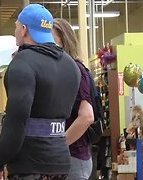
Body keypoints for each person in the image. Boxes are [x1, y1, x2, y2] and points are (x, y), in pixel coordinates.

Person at [0, 4, 81, 180]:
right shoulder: (71, 65)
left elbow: (16, 120)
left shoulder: (23, 63)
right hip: (61, 161)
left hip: (29, 164)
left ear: (24, 30)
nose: (15, 31)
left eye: (16, 27)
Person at [52, 18, 94, 180]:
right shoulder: (61, 70)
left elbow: (87, 116)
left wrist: (59, 146)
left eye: (50, 37)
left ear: (62, 39)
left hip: (74, 156)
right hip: (65, 157)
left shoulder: (76, 69)